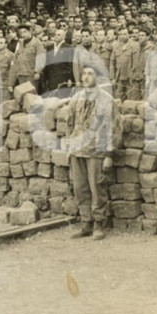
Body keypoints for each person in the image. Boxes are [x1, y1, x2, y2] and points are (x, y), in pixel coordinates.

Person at [67, 64, 122, 241]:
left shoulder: (107, 100)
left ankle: (99, 223)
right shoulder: (76, 98)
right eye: (84, 74)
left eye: (90, 74)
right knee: (80, 188)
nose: (86, 77)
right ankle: (86, 223)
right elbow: (70, 123)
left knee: (97, 187)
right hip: (78, 150)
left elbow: (114, 127)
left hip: (97, 151)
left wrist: (109, 154)